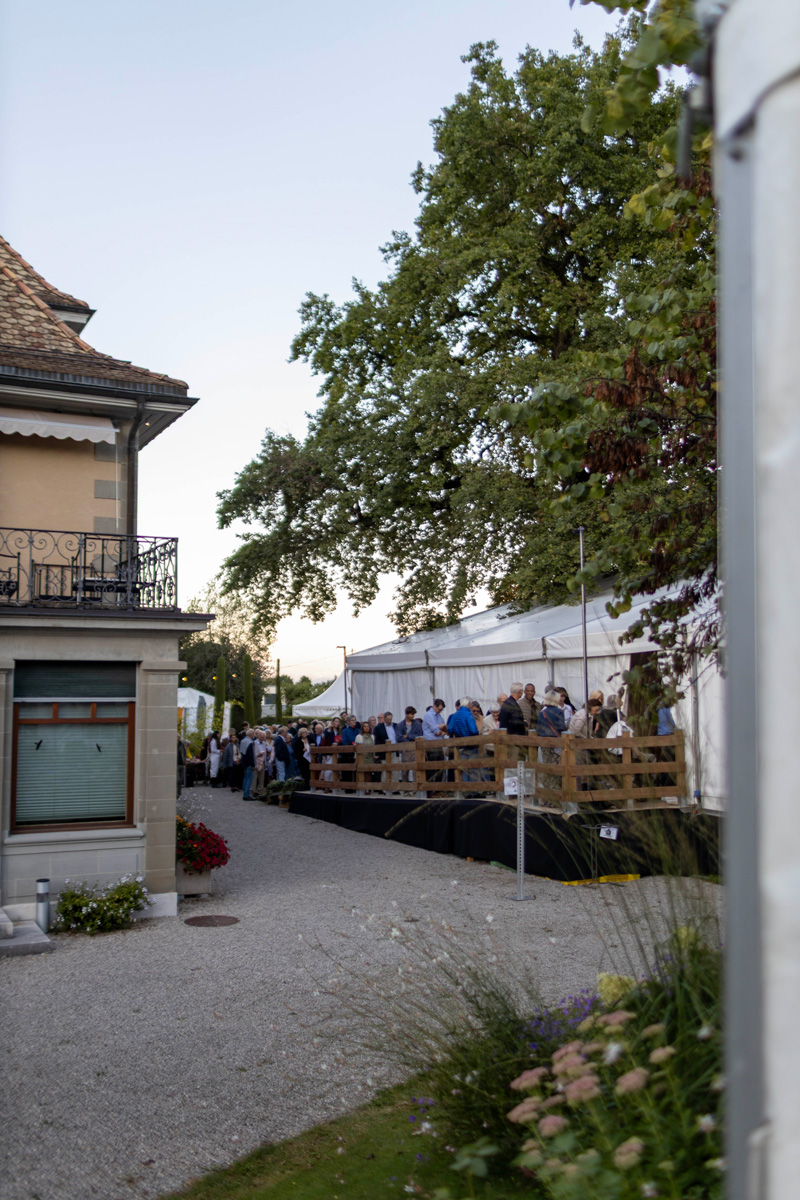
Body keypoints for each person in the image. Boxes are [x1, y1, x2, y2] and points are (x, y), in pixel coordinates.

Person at [447, 696, 480, 784]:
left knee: (464, 768)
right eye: (471, 704)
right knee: (473, 768)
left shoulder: (455, 715)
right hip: (471, 744)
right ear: (468, 704)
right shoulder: (469, 715)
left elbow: (450, 730)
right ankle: (473, 789)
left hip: (460, 744)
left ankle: (465, 788)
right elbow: (474, 730)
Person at [396, 706, 424, 783]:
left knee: (415, 769)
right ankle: (405, 787)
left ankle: (416, 786)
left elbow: (420, 735)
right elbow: (399, 737)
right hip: (405, 750)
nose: (413, 716)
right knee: (405, 770)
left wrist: (408, 736)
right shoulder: (400, 725)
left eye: (413, 714)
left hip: (415, 749)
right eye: (411, 714)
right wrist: (409, 741)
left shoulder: (417, 724)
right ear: (406, 714)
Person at [422, 699, 447, 783]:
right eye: (439, 709)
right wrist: (441, 728)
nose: (440, 711)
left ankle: (438, 787)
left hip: (438, 744)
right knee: (432, 767)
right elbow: (436, 731)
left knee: (440, 766)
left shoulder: (439, 716)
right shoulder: (429, 715)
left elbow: (444, 728)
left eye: (441, 710)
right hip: (431, 744)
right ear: (434, 706)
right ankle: (430, 787)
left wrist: (441, 727)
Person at [374, 711, 398, 789]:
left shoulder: (395, 726)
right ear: (384, 719)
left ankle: (395, 788)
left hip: (394, 750)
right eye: (388, 719)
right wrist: (377, 753)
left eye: (390, 719)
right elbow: (377, 741)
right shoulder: (378, 728)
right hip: (384, 751)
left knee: (395, 769)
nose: (389, 721)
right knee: (385, 770)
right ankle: (385, 788)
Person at [355, 720, 378, 784]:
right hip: (362, 757)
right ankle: (361, 786)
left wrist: (375, 755)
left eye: (368, 726)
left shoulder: (372, 736)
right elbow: (356, 748)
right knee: (362, 773)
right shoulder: (359, 736)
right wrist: (356, 758)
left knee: (369, 773)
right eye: (365, 726)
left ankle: (367, 787)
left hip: (370, 757)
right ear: (362, 728)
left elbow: (374, 746)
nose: (366, 728)